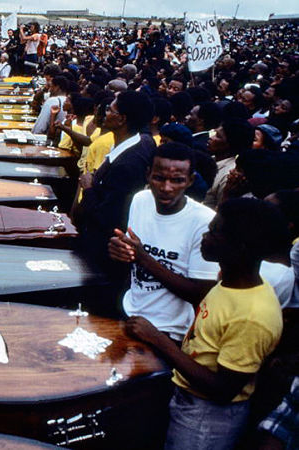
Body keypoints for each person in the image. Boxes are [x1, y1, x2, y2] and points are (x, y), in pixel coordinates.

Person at [125, 197, 288, 450]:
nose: (204, 236)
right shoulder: (227, 282)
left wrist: (158, 339)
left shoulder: (253, 314)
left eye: (214, 232)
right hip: (188, 400)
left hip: (207, 419)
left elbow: (223, 389)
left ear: (240, 247)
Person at [109, 143, 219, 341]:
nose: (166, 188)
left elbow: (200, 293)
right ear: (148, 175)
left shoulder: (204, 221)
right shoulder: (140, 200)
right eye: (159, 178)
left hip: (170, 332)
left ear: (190, 181)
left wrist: (143, 258)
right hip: (129, 313)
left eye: (177, 180)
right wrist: (120, 252)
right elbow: (130, 258)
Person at [76, 91, 157, 273]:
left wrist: (88, 187)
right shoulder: (140, 141)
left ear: (121, 119)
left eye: (109, 109)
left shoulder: (128, 165)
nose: (105, 113)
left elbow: (107, 218)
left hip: (105, 254)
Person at [204, 118, 254, 209]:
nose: (211, 137)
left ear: (230, 144)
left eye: (218, 136)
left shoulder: (229, 175)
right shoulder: (209, 160)